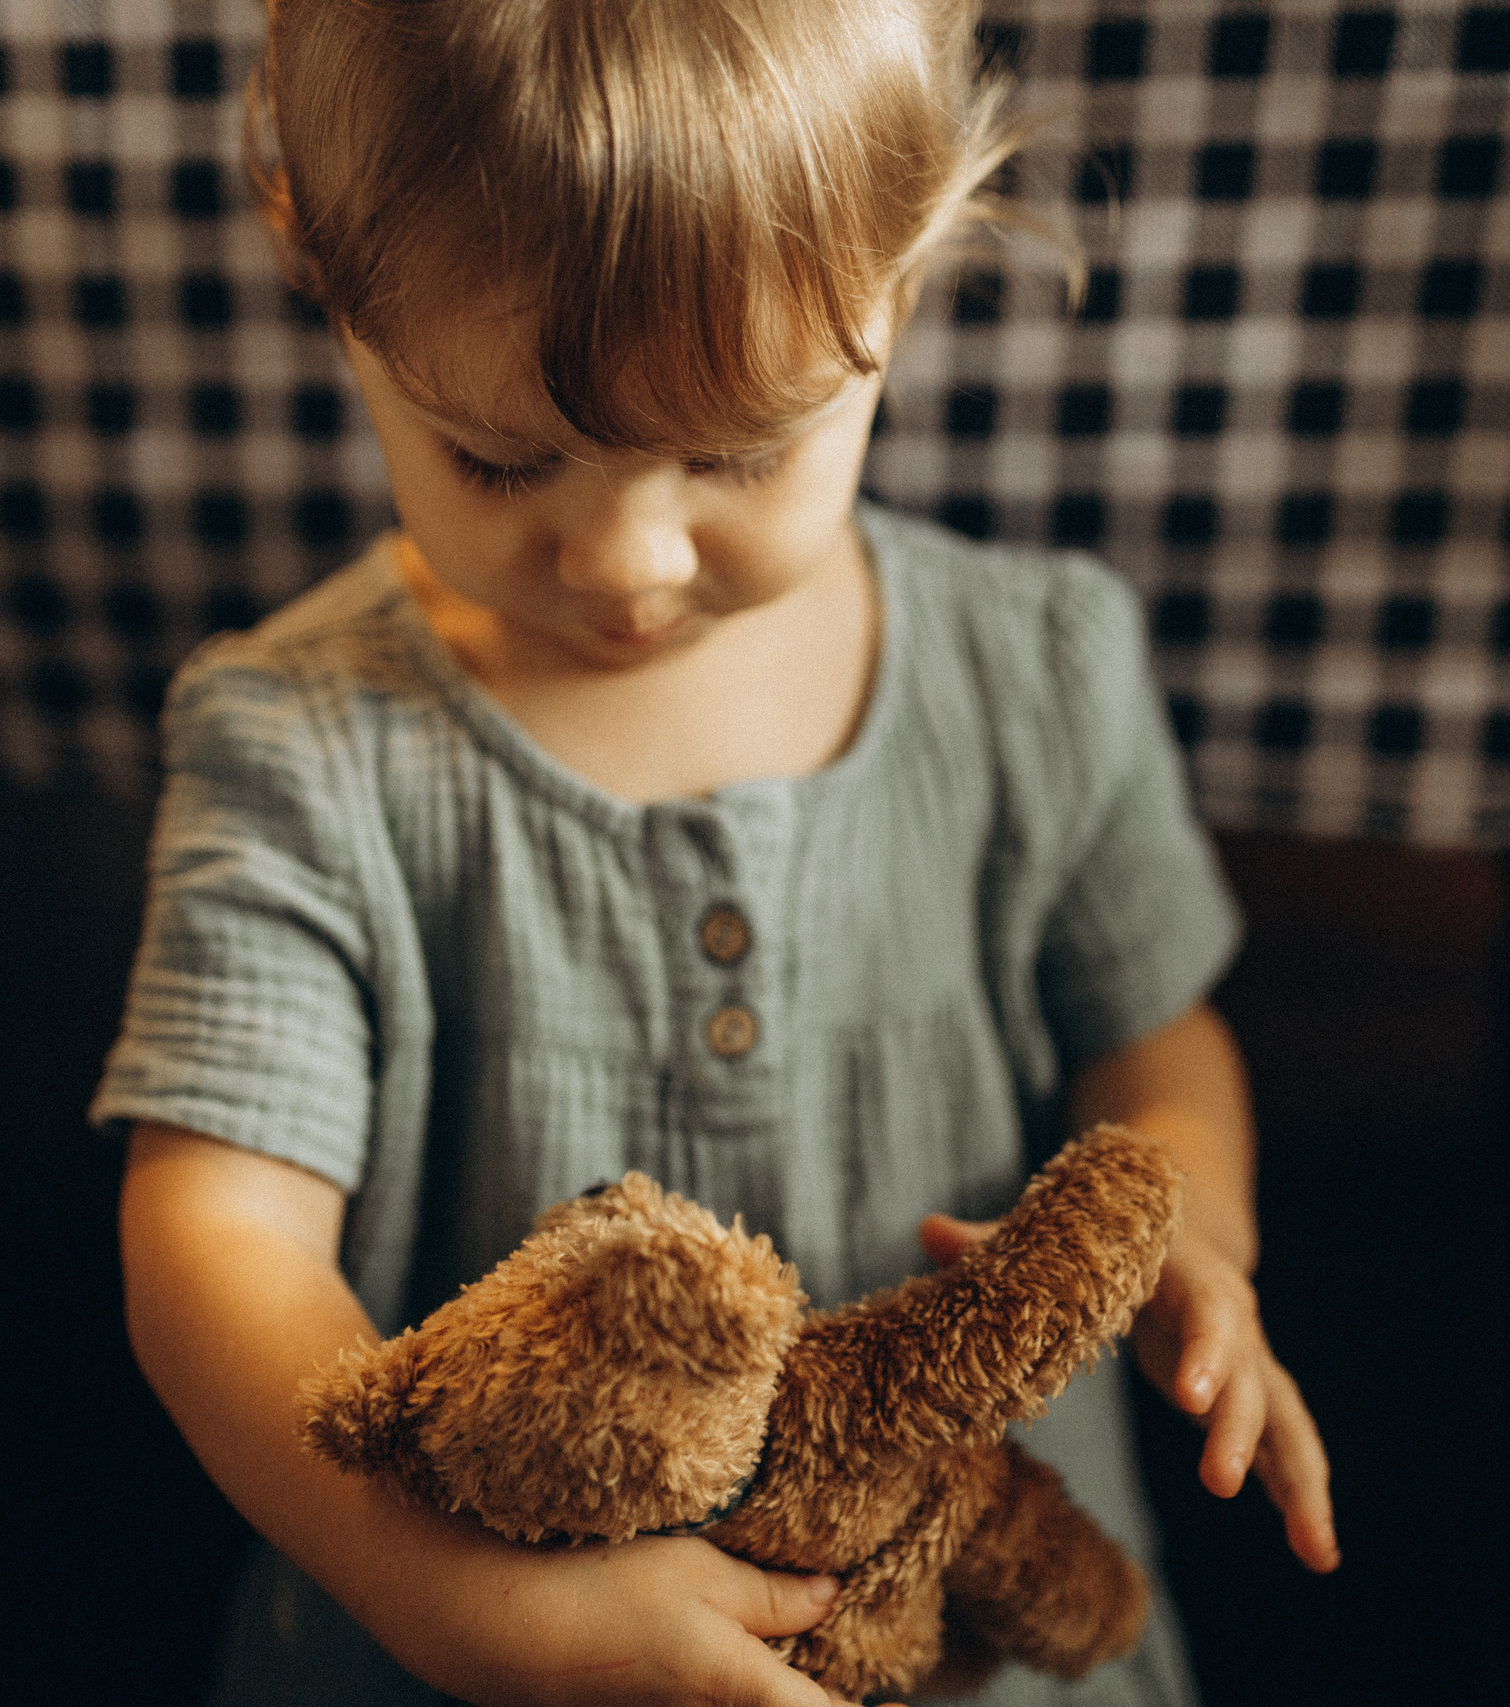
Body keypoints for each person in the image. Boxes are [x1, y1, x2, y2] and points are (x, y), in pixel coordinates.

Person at [95, 3, 1337, 1704]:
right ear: (329, 275)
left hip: (994, 1631)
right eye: (501, 454)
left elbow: (1155, 1040)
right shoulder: (302, 742)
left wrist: (1194, 1229)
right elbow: (216, 1247)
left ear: (901, 287)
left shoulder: (1034, 669)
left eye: (738, 449)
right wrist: (457, 1600)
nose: (624, 559)